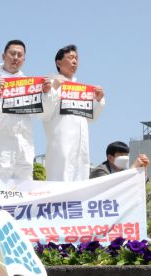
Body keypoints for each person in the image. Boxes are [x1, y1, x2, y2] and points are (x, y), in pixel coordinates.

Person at [0, 39, 51, 181]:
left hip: (24, 146)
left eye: (20, 55)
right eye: (12, 54)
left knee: (24, 188)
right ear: (3, 56)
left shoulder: (31, 84)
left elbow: (43, 114)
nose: (16, 58)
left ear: (24, 59)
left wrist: (45, 93)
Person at [43, 45, 104, 182]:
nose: (75, 61)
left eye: (76, 58)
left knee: (81, 178)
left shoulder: (81, 90)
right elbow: (44, 111)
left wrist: (98, 100)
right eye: (70, 58)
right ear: (59, 63)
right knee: (60, 178)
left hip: (81, 145)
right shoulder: (49, 84)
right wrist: (53, 88)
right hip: (61, 142)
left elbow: (92, 118)